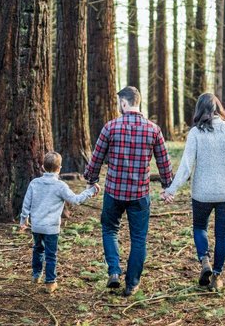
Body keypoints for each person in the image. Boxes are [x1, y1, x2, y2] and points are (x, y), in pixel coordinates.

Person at [84, 86, 173, 297]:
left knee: (109, 230)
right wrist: (167, 186)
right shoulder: (153, 129)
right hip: (140, 194)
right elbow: (164, 162)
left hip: (114, 192)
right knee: (139, 239)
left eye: (119, 103)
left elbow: (96, 158)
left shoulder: (110, 127)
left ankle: (114, 271)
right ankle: (132, 284)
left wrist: (91, 180)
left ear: (124, 103)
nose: (119, 106)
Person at [161, 93, 225, 291]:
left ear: (200, 110)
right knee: (222, 235)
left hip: (202, 193)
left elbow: (186, 167)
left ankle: (205, 260)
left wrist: (171, 190)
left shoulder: (195, 133)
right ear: (217, 108)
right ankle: (217, 276)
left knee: (199, 227)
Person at [19, 151, 99, 293]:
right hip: (51, 228)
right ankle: (50, 282)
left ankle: (36, 275)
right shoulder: (60, 186)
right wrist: (90, 191)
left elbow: (26, 203)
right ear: (59, 168)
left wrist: (23, 220)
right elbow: (75, 200)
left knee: (37, 249)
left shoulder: (34, 183)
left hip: (36, 226)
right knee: (51, 255)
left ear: (43, 167)